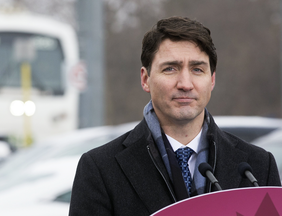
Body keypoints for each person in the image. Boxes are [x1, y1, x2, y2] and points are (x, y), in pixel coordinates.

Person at [69, 16, 281, 216]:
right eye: (170, 69)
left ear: (212, 80)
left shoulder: (258, 166)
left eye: (197, 69)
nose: (185, 84)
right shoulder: (100, 169)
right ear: (145, 79)